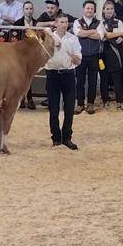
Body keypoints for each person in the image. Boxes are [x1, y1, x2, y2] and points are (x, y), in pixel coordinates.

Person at [43, 12, 81, 150]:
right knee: (53, 108)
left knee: (69, 108)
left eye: (66, 22)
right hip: (52, 74)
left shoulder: (73, 39)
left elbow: (78, 60)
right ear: (56, 23)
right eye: (61, 22)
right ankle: (56, 137)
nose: (64, 25)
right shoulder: (48, 38)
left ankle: (67, 137)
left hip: (68, 74)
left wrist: (73, 57)